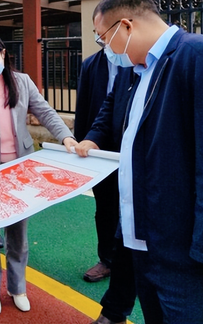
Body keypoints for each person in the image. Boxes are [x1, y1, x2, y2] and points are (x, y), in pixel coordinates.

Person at [75, 0, 203, 323]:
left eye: (103, 38)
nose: (105, 49)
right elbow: (115, 114)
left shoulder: (199, 56)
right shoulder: (138, 70)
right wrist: (93, 139)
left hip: (186, 253)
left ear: (126, 26)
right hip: (144, 243)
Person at [0, 31, 77, 316]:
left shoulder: (21, 82)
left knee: (18, 234)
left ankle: (17, 287)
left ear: (3, 54)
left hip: (20, 170)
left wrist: (66, 137)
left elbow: (45, 112)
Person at [75, 54, 137, 324]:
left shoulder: (190, 57)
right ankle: (113, 310)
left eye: (104, 35)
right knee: (112, 216)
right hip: (104, 151)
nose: (104, 42)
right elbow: (103, 107)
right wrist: (89, 139)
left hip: (146, 164)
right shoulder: (105, 67)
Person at [74, 49, 120, 282]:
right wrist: (81, 140)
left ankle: (142, 262)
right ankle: (107, 259)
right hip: (99, 145)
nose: (101, 38)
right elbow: (83, 106)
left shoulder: (138, 63)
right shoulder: (92, 64)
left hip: (132, 146)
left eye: (102, 32)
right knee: (105, 206)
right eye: (96, 33)